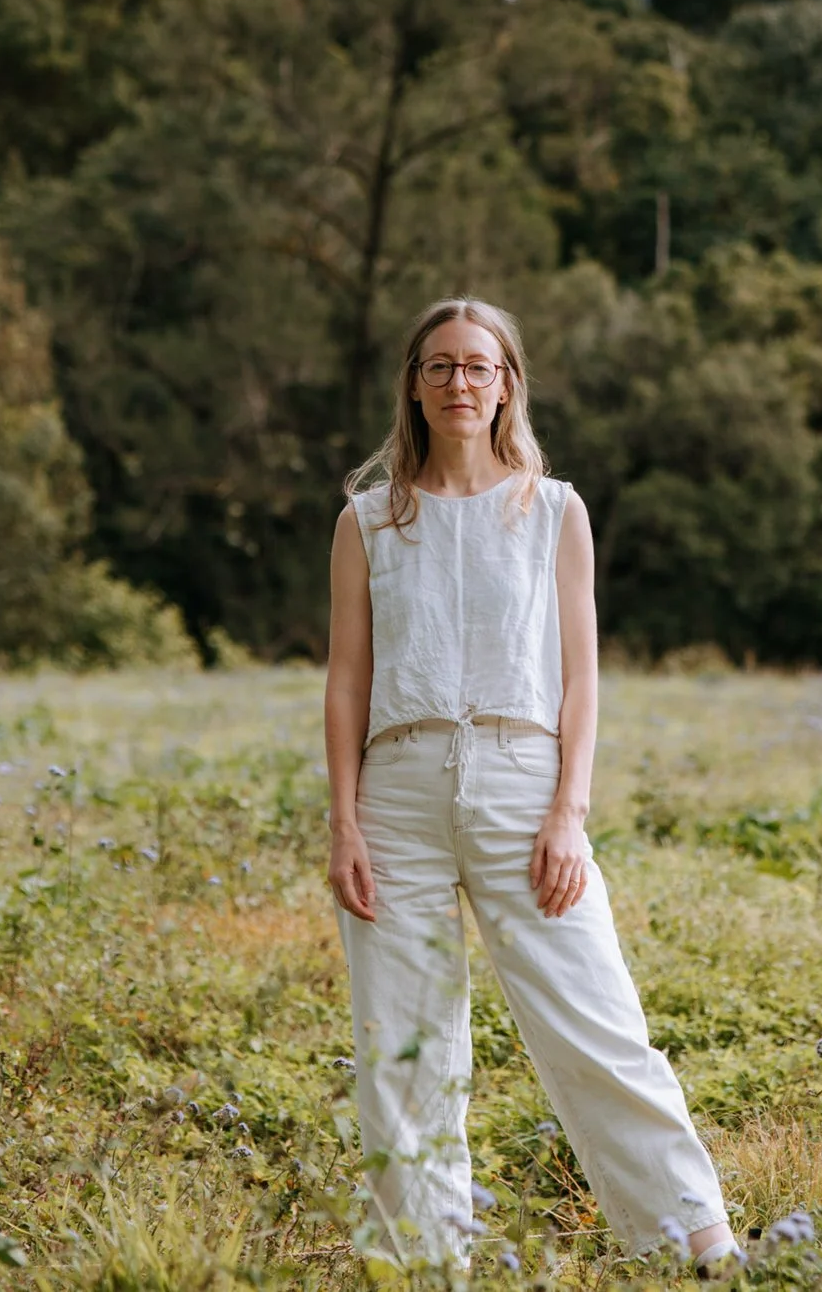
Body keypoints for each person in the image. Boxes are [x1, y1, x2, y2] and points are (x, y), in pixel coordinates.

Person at [323, 296, 741, 1277]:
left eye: (477, 365)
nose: (458, 382)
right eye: (439, 365)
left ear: (506, 380)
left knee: (597, 1022)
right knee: (406, 1048)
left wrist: (569, 812)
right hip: (397, 794)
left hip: (524, 784)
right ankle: (425, 1263)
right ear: (414, 384)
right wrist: (345, 820)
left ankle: (698, 1246)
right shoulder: (369, 519)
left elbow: (582, 675)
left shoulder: (553, 509)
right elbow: (346, 677)